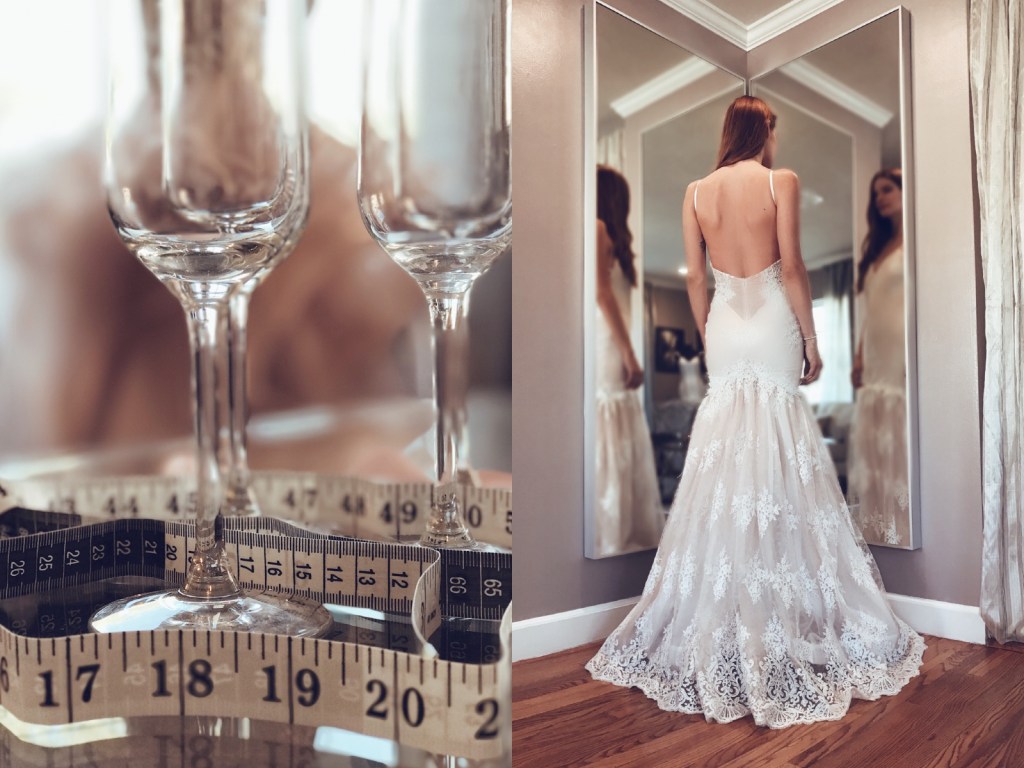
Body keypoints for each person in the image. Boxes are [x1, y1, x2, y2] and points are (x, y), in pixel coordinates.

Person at [586, 97, 923, 727]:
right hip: (770, 318)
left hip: (723, 322)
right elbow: (791, 265)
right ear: (763, 129)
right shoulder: (780, 180)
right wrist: (813, 340)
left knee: (725, 446)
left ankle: (739, 609)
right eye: (772, 128)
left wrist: (710, 329)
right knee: (778, 440)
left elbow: (695, 281)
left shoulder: (695, 191)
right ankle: (776, 609)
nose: (774, 137)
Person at [592, 165, 664, 556]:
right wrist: (628, 352)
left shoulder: (608, 234)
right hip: (607, 340)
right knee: (611, 414)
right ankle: (611, 529)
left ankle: (623, 527)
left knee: (617, 417)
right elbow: (602, 296)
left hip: (612, 338)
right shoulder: (598, 226)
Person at [848, 169, 909, 546]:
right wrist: (858, 357)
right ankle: (877, 535)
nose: (881, 197)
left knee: (899, 443)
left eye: (888, 189)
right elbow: (870, 311)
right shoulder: (879, 247)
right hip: (875, 356)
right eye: (876, 194)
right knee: (873, 447)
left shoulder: (917, 241)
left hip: (902, 356)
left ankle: (902, 531)